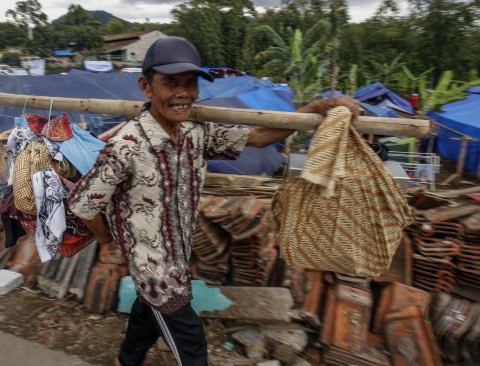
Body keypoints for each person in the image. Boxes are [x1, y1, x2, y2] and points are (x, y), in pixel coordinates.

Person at [67, 36, 360, 366]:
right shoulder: (126, 145)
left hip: (179, 253)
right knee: (192, 348)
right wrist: (108, 243)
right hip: (152, 265)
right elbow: (82, 204)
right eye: (171, 83)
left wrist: (318, 108)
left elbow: (261, 136)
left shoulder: (195, 131)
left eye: (190, 83)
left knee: (148, 313)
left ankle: (127, 359)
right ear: (146, 87)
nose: (183, 93)